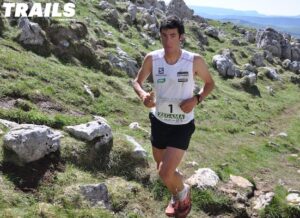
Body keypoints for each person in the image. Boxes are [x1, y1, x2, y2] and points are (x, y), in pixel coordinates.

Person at [133, 15, 214, 217]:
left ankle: (183, 194)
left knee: (165, 172)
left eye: (172, 35)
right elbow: (136, 81)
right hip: (159, 120)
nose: (168, 41)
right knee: (162, 169)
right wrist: (144, 96)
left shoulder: (194, 60)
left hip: (182, 125)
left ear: (181, 37)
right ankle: (176, 193)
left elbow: (210, 83)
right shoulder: (152, 58)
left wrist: (197, 99)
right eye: (164, 36)